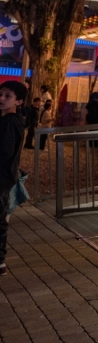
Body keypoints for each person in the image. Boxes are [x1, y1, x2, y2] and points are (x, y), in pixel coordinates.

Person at [0, 81, 28, 276]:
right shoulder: (11, 120)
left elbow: (5, 152)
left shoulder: (9, 122)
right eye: (0, 94)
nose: (1, 98)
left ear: (18, 101)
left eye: (8, 96)